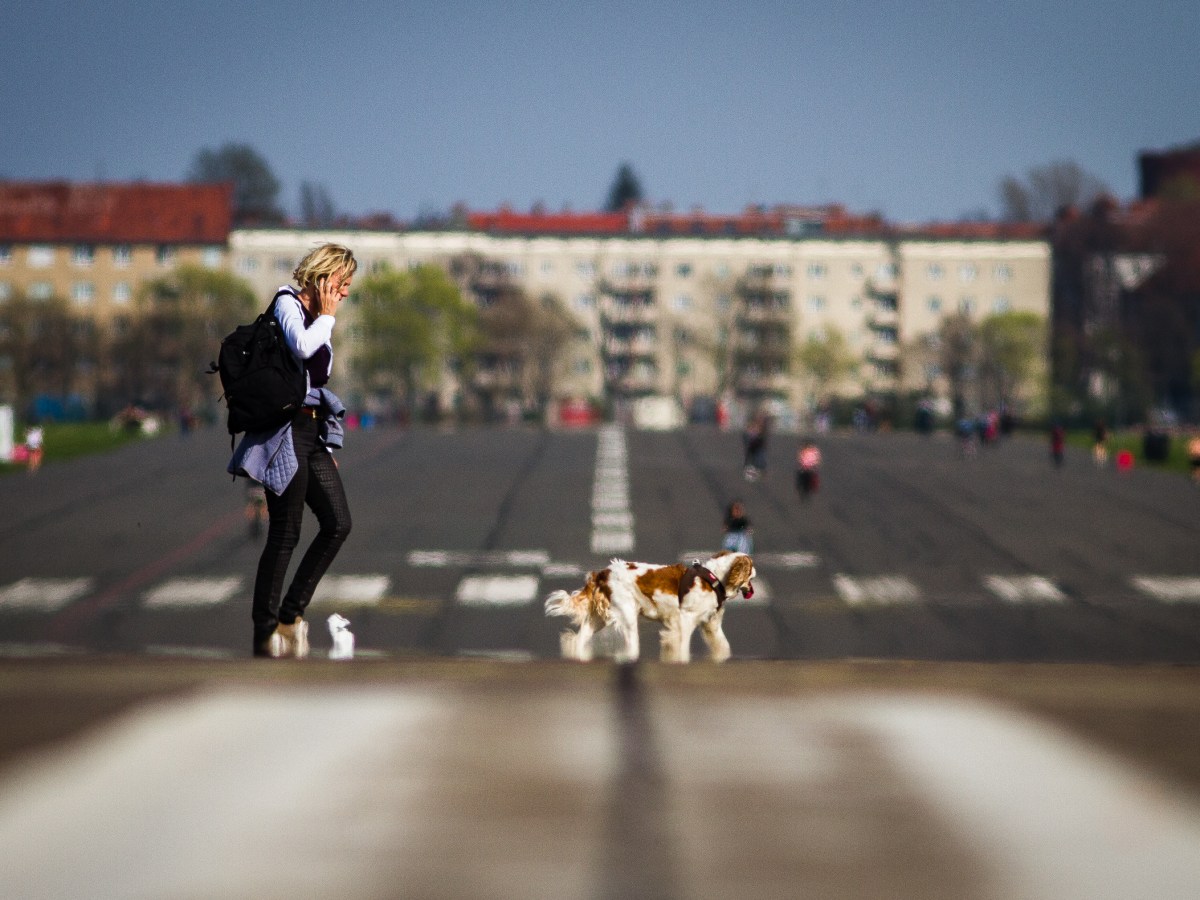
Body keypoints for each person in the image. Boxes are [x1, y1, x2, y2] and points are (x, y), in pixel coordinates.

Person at [228, 243, 357, 658]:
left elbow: (316, 378)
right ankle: (266, 631)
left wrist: (325, 438)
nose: (346, 293)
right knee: (286, 532)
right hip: (283, 432)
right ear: (325, 278)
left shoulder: (319, 317)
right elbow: (301, 347)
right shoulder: (288, 303)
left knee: (337, 522)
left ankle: (290, 615)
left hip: (311, 430)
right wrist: (328, 317)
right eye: (344, 284)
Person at [742, 412, 768, 481]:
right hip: (753, 447)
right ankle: (751, 472)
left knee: (758, 459)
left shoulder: (762, 428)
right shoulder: (753, 427)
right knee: (753, 459)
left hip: (757, 447)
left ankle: (756, 472)